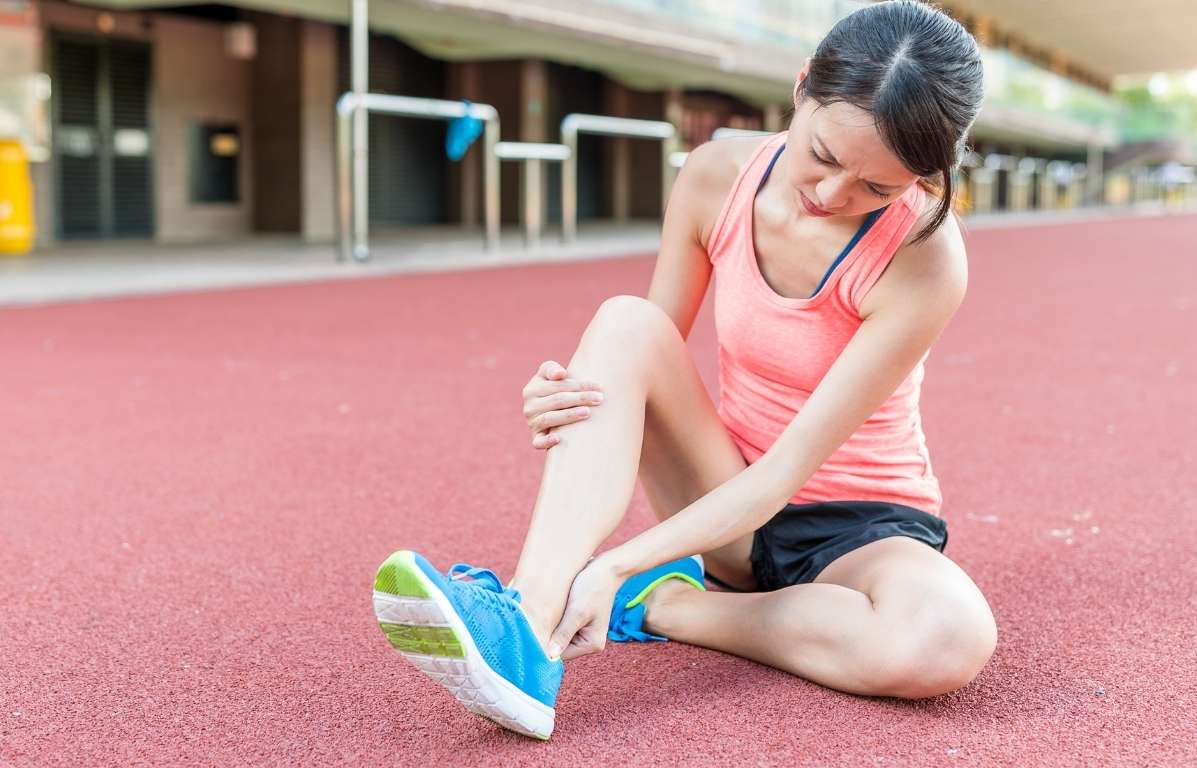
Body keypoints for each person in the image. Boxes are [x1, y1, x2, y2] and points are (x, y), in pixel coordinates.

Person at [371, 0, 995, 740]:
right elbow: (642, 353)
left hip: (860, 529)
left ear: (922, 180)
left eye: (878, 188)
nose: (832, 196)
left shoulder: (926, 257)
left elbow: (788, 472)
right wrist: (571, 395)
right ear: (801, 90)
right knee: (626, 320)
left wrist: (614, 567)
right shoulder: (714, 177)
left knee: (946, 637)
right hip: (721, 487)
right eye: (823, 156)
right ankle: (526, 627)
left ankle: (668, 606)